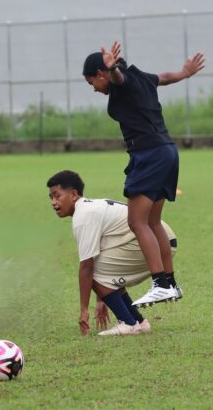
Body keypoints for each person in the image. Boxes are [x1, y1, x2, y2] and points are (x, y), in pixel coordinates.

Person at [82, 42, 203, 307]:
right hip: (166, 152)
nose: (93, 88)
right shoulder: (141, 77)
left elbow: (118, 78)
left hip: (149, 155)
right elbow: (164, 78)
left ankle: (160, 283)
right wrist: (185, 73)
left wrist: (112, 68)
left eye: (92, 81)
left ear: (102, 74)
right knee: (152, 221)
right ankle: (169, 283)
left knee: (137, 222)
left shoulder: (122, 81)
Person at [47, 170, 179, 336]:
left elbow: (87, 267)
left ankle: (128, 323)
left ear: (73, 194)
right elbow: (104, 261)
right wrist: (102, 298)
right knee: (102, 268)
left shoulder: (83, 216)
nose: (53, 202)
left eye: (57, 196)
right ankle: (138, 321)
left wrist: (84, 310)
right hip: (163, 239)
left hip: (156, 243)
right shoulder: (90, 207)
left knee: (91, 272)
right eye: (50, 197)